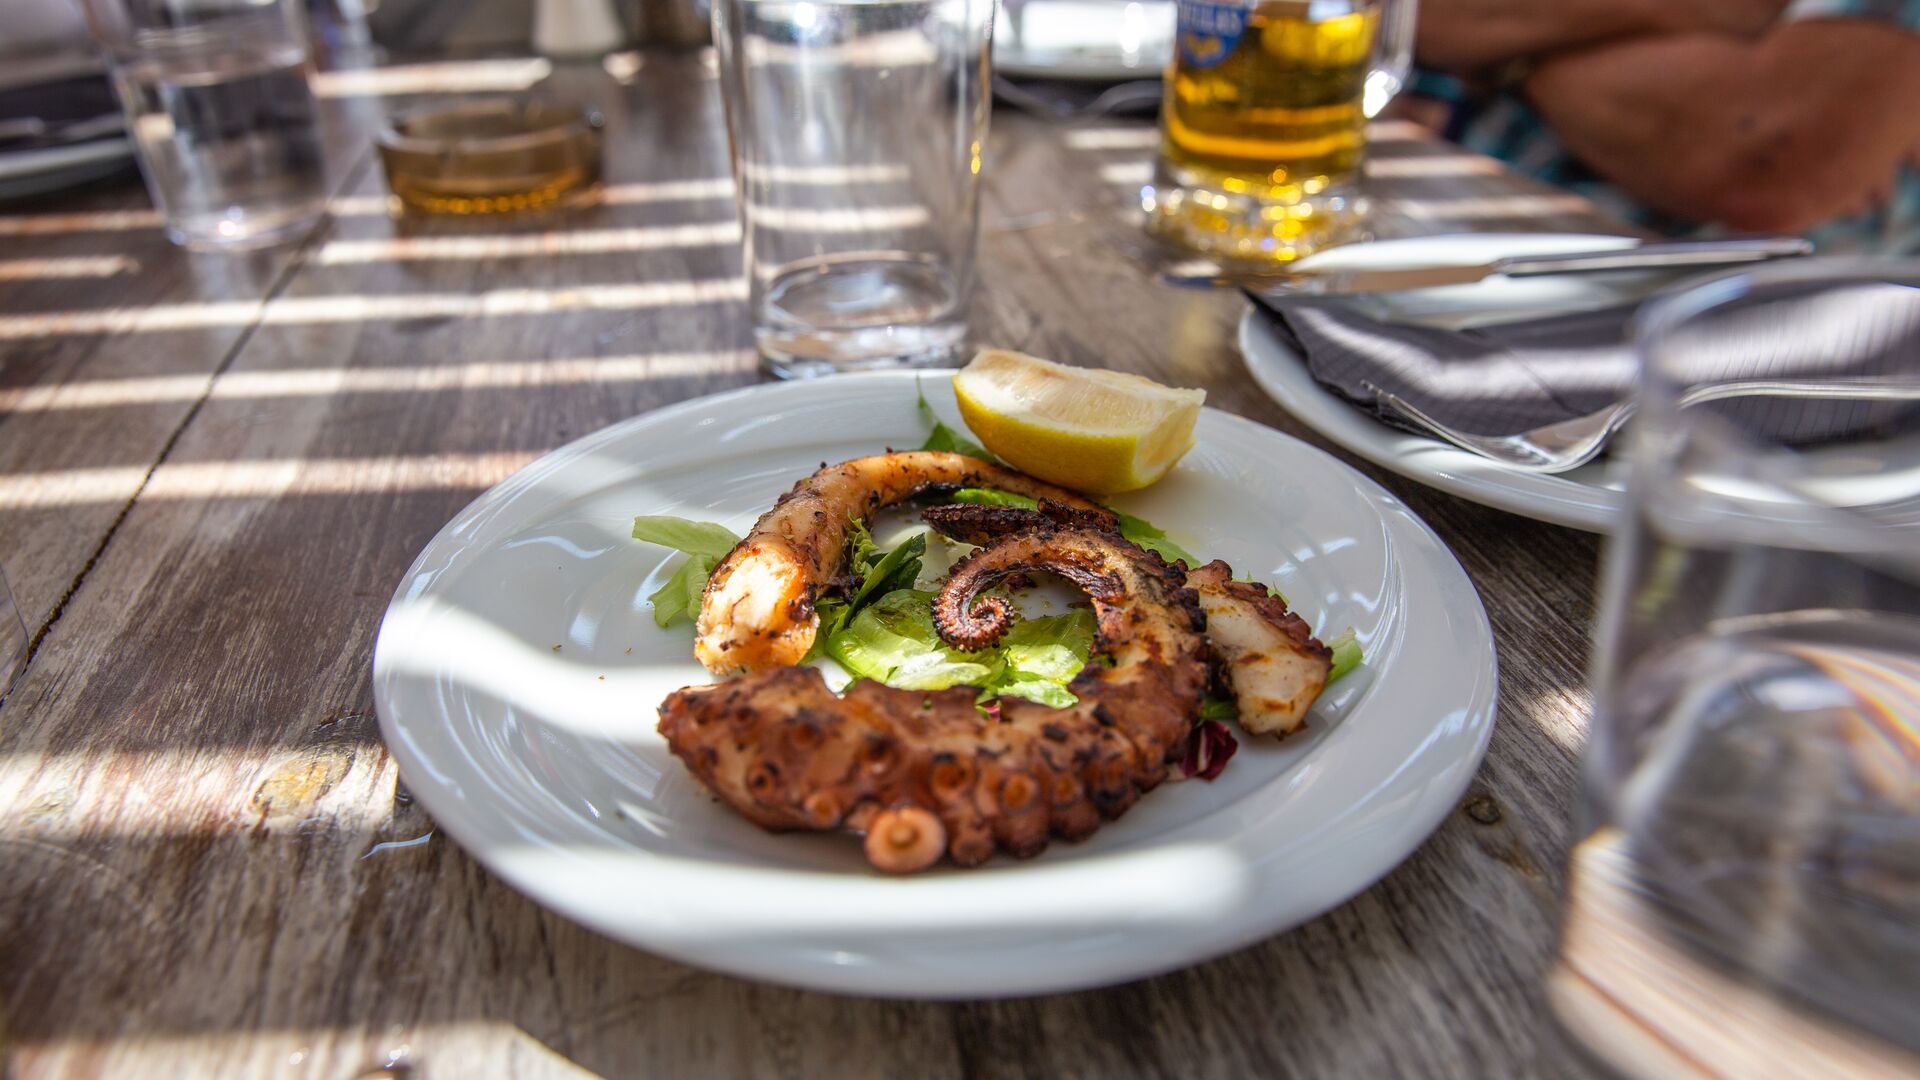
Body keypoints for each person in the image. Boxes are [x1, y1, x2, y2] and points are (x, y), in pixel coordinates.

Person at [1407, 0, 1920, 253]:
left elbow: (1765, 164)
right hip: (1426, 226)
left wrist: (1505, 56)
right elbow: (1420, 14)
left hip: (1705, 332)